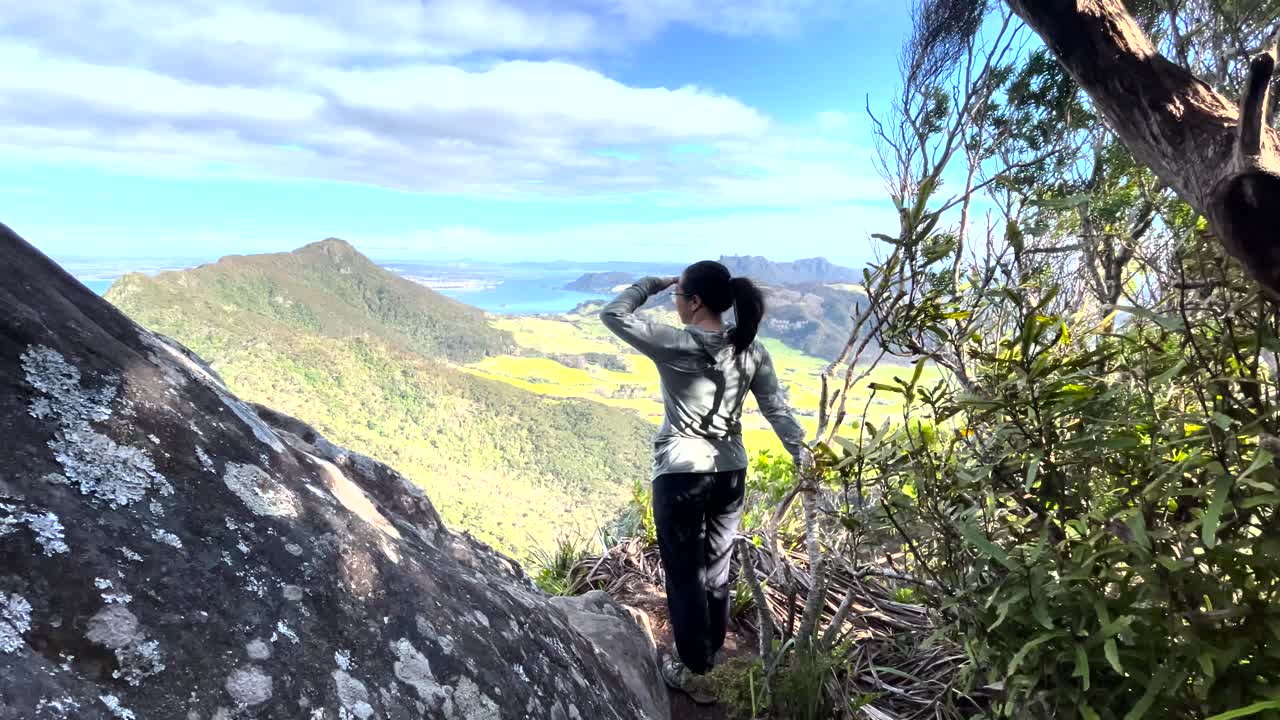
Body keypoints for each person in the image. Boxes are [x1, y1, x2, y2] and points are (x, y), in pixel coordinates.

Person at [600, 260, 811, 705]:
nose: (676, 304)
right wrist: (804, 457)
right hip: (730, 472)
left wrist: (653, 285)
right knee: (717, 569)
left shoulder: (676, 343)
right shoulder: (751, 349)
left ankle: (692, 669)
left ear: (694, 302)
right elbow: (778, 410)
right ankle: (710, 652)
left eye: (679, 297)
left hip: (681, 474)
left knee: (684, 575)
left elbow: (613, 314)